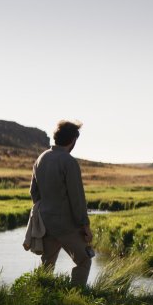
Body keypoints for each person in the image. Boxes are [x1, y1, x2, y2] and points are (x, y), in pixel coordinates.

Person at [29, 120, 93, 286]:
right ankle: (76, 296)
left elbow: (33, 192)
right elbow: (77, 197)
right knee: (84, 260)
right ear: (73, 140)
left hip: (46, 223)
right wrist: (85, 225)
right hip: (67, 225)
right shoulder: (69, 161)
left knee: (47, 264)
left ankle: (41, 295)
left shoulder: (41, 158)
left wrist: (44, 210)